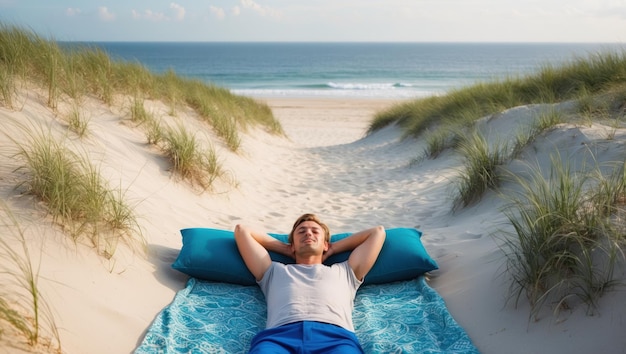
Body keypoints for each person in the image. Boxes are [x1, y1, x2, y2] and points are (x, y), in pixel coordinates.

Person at [234, 213, 386, 354]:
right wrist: (286, 249)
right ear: (292, 245)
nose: (308, 233)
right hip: (279, 338)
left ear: (325, 244)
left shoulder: (345, 271)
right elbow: (242, 230)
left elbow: (377, 232)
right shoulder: (273, 271)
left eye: (315, 231)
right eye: (301, 232)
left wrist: (332, 248)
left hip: (335, 339)